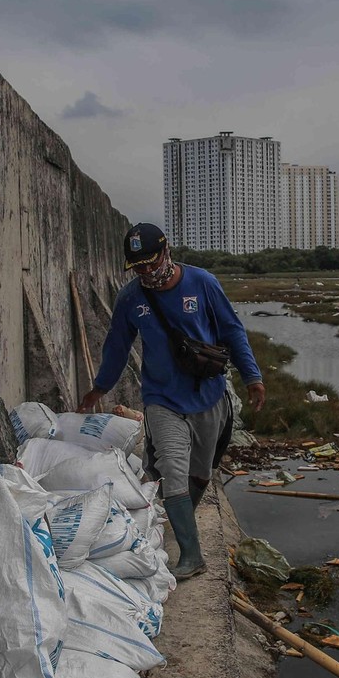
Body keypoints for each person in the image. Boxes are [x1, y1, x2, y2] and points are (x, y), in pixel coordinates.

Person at [78, 223, 265, 580]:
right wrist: (99, 388)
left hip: (208, 394)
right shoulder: (131, 298)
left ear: (166, 252)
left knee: (200, 472)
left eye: (151, 263)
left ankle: (181, 523)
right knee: (171, 469)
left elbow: (232, 331)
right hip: (161, 398)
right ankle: (192, 556)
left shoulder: (203, 283)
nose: (147, 272)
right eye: (139, 267)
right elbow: (116, 347)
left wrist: (252, 376)